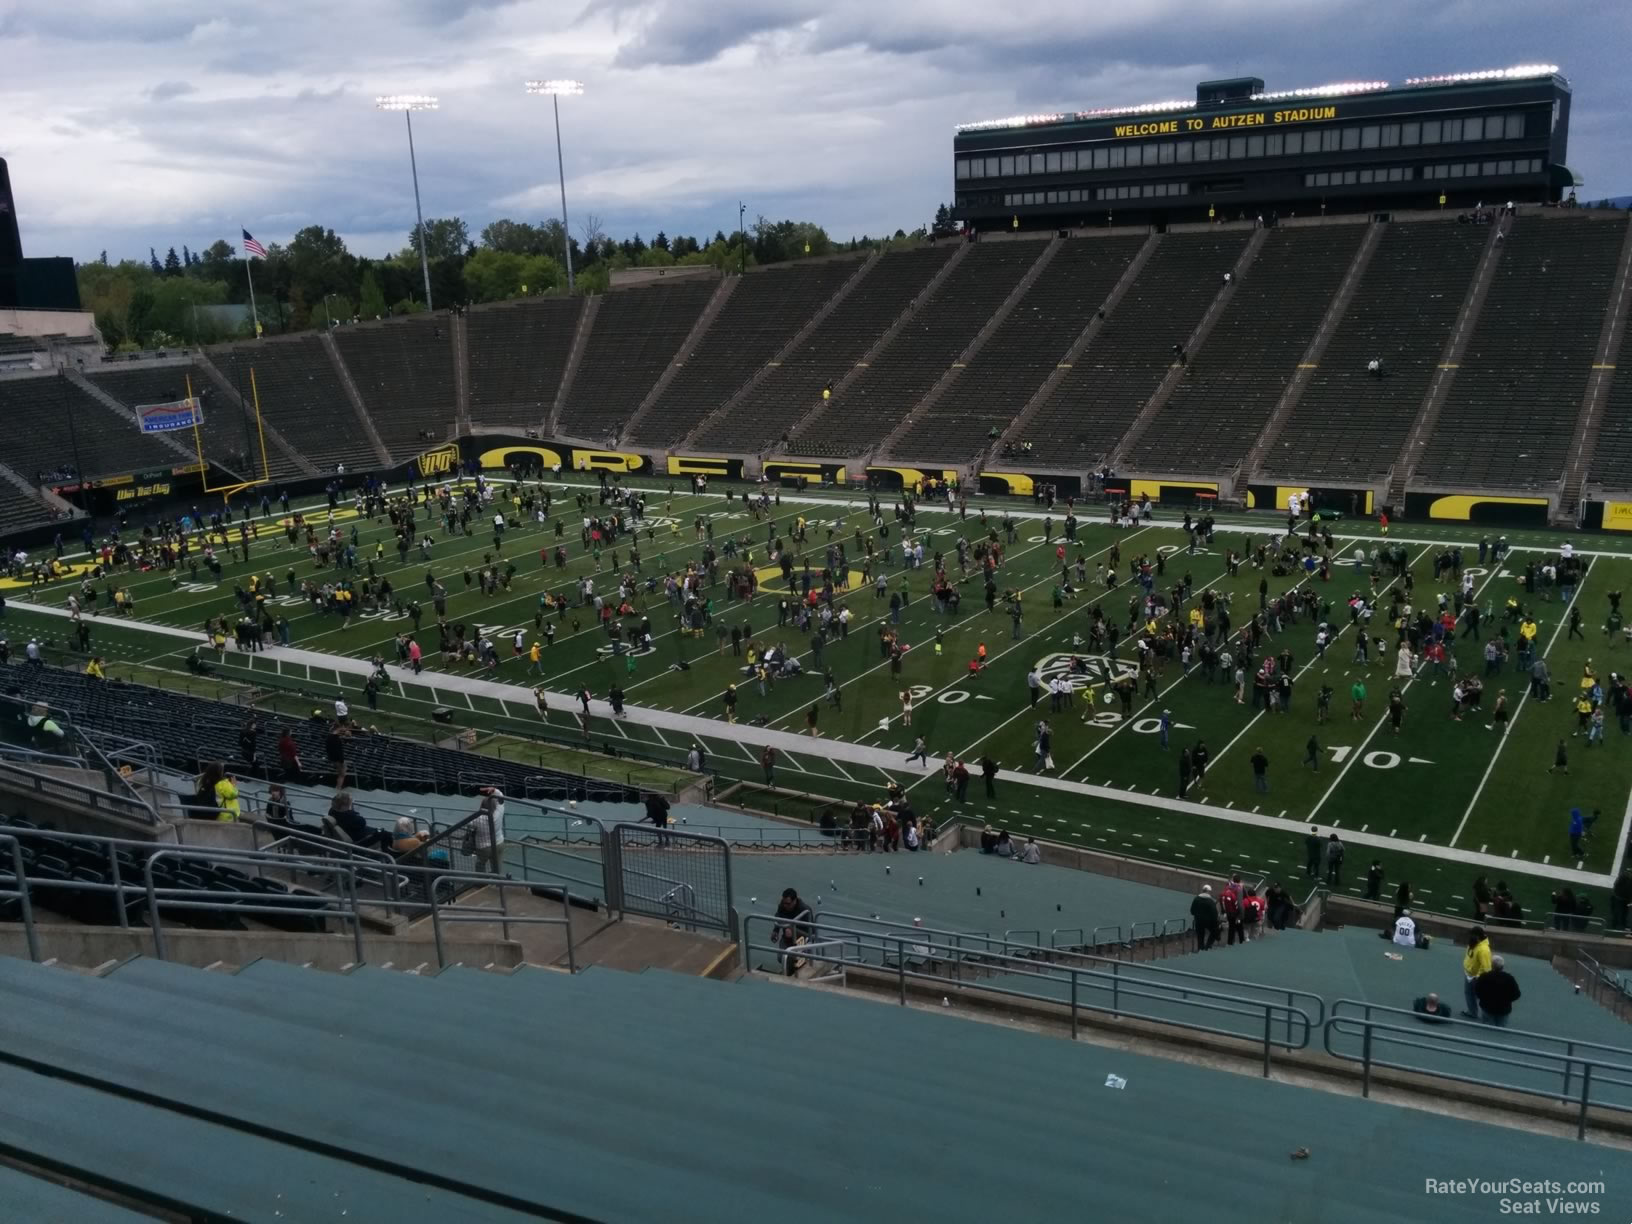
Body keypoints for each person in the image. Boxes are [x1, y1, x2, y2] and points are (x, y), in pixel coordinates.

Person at [772, 887, 813, 976]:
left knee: (794, 961)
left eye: (788, 904)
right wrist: (776, 931)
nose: (785, 906)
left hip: (802, 941)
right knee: (781, 958)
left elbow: (811, 933)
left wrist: (793, 931)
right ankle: (788, 972)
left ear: (795, 901)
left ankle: (790, 973)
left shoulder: (805, 910)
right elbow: (778, 917)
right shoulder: (782, 906)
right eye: (784, 903)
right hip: (787, 939)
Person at [466, 787, 507, 873]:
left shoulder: (478, 819)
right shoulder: (499, 811)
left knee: (480, 864)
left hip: (483, 847)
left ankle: (482, 881)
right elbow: (501, 797)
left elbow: (469, 825)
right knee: (497, 866)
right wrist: (494, 790)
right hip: (498, 843)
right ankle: (498, 882)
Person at [1474, 955, 1522, 1027]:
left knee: (1487, 1030)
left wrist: (1483, 999)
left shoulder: (1484, 977)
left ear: (1491, 965)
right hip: (1504, 1009)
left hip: (1487, 1007)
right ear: (1502, 966)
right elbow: (1517, 994)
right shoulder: (1509, 979)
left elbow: (1477, 990)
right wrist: (1507, 1000)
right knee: (1500, 1032)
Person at [1461, 926, 1492, 1019]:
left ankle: (1487, 1015)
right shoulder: (1474, 943)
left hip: (1475, 977)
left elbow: (1486, 967)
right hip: (1469, 974)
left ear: (1477, 936)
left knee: (1479, 996)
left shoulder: (1484, 950)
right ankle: (1472, 1012)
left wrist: (1478, 977)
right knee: (1469, 994)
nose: (1469, 937)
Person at [1190, 884, 1221, 951]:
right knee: (1214, 932)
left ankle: (1200, 949)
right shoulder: (1210, 901)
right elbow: (1214, 914)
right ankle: (1208, 946)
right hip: (1208, 922)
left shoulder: (1196, 899)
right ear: (1209, 892)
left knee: (1200, 936)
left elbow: (1192, 911)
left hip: (1198, 921)